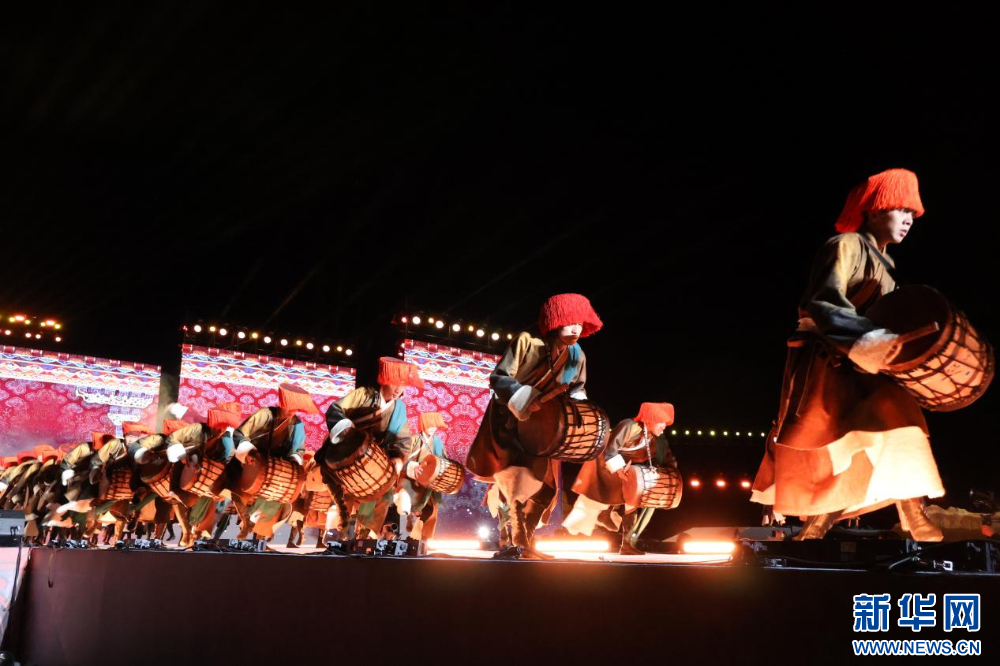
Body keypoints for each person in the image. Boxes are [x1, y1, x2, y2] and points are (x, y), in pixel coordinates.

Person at [750, 168, 944, 541]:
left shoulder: (888, 266)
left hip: (864, 363)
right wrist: (864, 338)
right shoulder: (845, 245)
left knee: (888, 428)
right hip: (827, 359)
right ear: (875, 209)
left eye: (912, 213)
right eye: (901, 209)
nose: (908, 220)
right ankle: (824, 525)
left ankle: (907, 512)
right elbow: (823, 301)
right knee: (842, 445)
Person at [465, 293, 602, 558]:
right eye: (570, 322)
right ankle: (516, 541)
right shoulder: (527, 341)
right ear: (555, 321)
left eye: (579, 323)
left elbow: (577, 388)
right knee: (515, 481)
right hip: (509, 419)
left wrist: (577, 406)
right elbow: (499, 377)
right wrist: (525, 397)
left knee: (547, 489)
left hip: (545, 427)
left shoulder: (577, 355)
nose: (575, 329)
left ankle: (525, 539)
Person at [319, 357, 423, 538]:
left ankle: (367, 535)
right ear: (384, 380)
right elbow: (335, 409)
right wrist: (346, 430)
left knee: (384, 490)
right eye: (394, 383)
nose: (398, 390)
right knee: (341, 493)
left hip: (375, 458)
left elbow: (403, 439)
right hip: (346, 453)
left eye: (403, 385)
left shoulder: (398, 408)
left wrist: (398, 459)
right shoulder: (363, 395)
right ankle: (339, 529)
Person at [569, 402, 679, 554]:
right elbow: (610, 449)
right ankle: (606, 513)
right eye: (661, 422)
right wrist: (619, 468)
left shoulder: (657, 438)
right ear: (651, 419)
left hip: (626, 470)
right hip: (605, 465)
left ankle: (626, 544)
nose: (664, 427)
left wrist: (672, 472)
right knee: (596, 503)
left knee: (632, 502)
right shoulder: (629, 426)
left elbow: (667, 457)